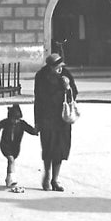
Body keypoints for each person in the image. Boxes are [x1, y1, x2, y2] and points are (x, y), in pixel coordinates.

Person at [33, 52, 78, 192]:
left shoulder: (66, 74)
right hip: (47, 118)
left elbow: (74, 94)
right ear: (50, 67)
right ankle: (47, 175)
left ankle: (55, 179)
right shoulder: (41, 76)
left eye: (61, 66)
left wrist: (68, 87)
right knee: (48, 148)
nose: (60, 69)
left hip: (62, 119)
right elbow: (38, 100)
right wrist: (37, 122)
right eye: (57, 67)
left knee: (59, 149)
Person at [0, 103, 38, 192]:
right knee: (11, 160)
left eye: (17, 119)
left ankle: (8, 179)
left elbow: (30, 129)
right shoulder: (5, 122)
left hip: (15, 147)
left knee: (11, 161)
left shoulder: (22, 124)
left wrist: (36, 131)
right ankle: (12, 179)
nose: (15, 121)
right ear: (9, 118)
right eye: (13, 119)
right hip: (5, 145)